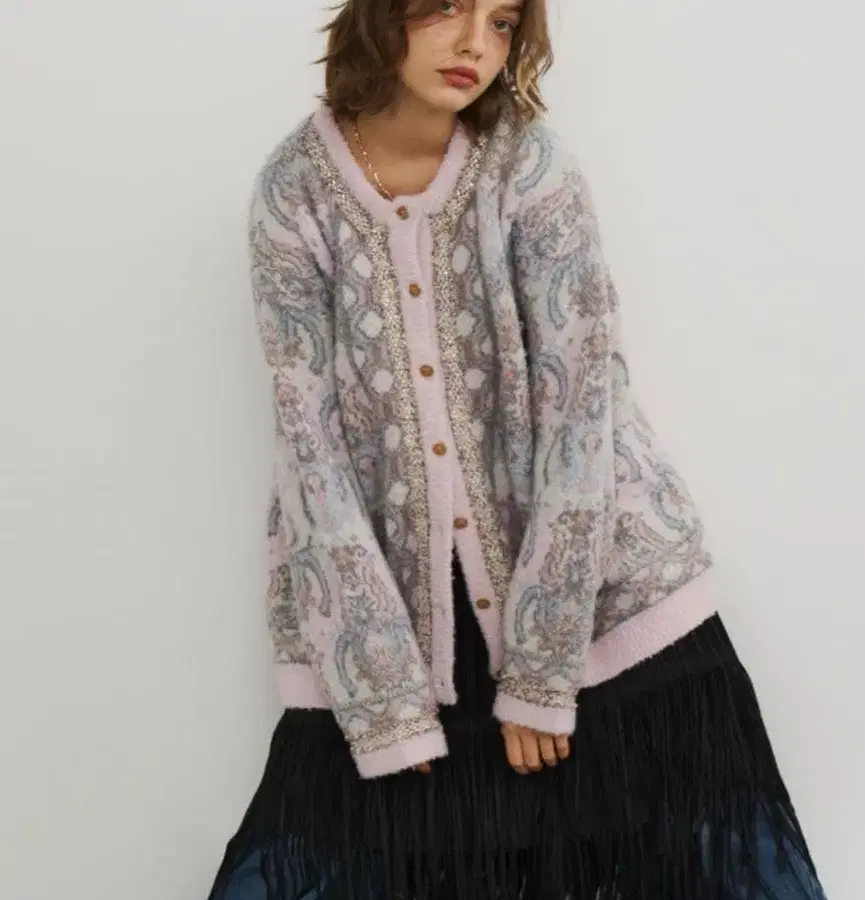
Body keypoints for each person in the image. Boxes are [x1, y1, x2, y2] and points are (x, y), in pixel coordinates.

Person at [208, 1, 829, 897]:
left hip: (600, 598)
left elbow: (584, 415)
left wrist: (543, 673)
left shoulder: (529, 168)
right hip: (391, 625)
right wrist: (386, 705)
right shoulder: (292, 192)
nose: (475, 44)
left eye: (503, 22)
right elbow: (312, 452)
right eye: (448, 8)